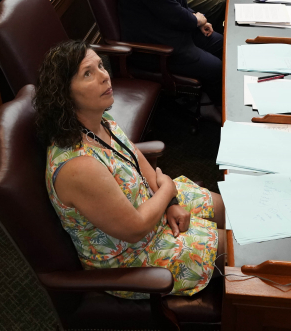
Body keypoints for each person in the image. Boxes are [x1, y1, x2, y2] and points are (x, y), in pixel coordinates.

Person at [37, 40, 223, 299]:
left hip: (150, 204)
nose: (104, 76)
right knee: (235, 248)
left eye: (101, 66)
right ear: (64, 94)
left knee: (226, 208)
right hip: (133, 259)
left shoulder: (100, 120)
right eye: (87, 73)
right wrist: (166, 188)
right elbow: (135, 228)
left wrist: (171, 201)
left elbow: (135, 155)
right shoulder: (78, 167)